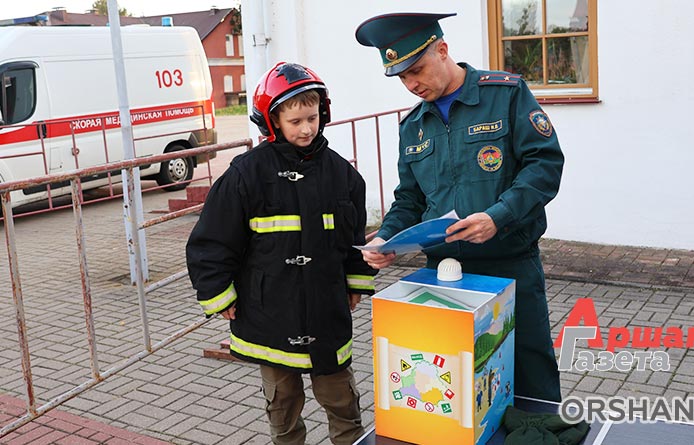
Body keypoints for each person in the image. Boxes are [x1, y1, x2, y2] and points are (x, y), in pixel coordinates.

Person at [356, 12, 564, 402]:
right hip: (444, 274)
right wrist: (387, 237)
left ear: (442, 50)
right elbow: (410, 198)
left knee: (530, 375)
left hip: (510, 265)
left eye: (416, 70)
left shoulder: (505, 94)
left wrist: (498, 217)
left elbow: (544, 165)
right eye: (402, 78)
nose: (411, 84)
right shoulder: (413, 126)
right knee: (456, 383)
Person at [185, 62, 376, 445]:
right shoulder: (246, 175)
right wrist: (219, 295)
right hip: (268, 311)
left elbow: (354, 237)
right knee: (282, 402)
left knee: (341, 398)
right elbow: (212, 241)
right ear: (272, 122)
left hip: (326, 309)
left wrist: (356, 282)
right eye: (295, 122)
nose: (306, 129)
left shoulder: (343, 175)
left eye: (312, 118)